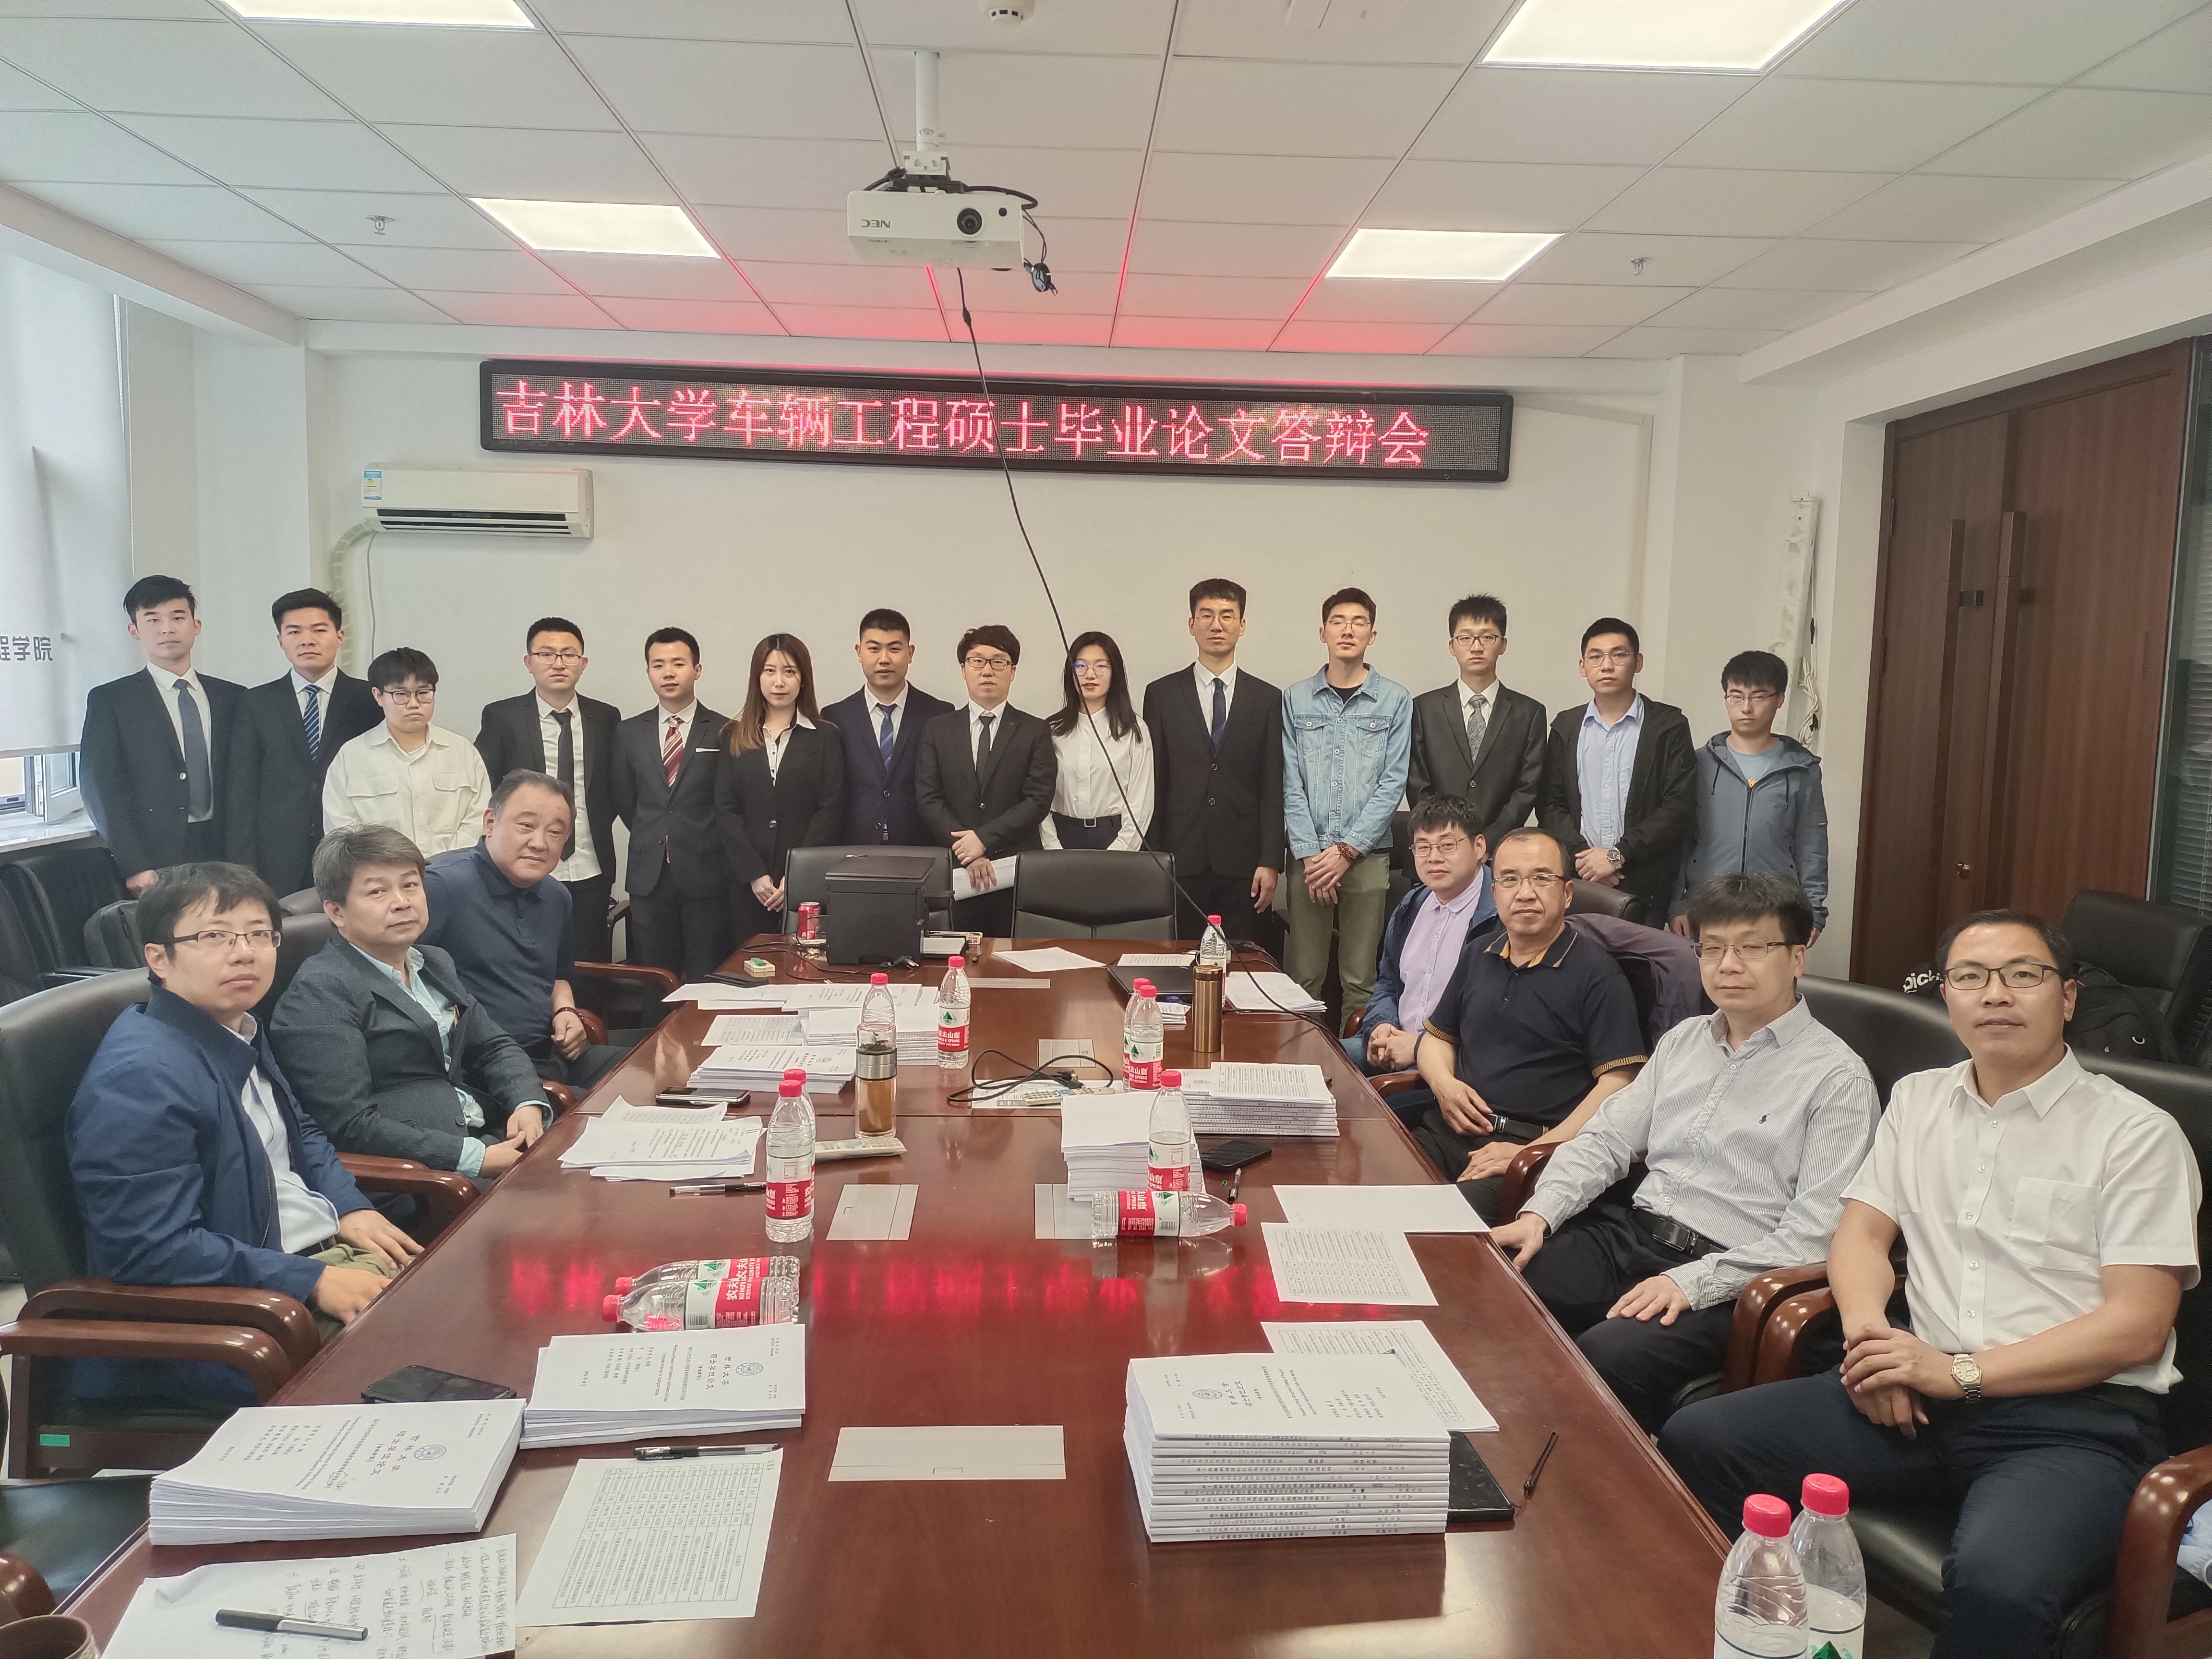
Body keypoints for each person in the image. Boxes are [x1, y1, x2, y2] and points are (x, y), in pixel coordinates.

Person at [1662, 909, 2202, 1659]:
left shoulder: (2136, 1135)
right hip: (1915, 1390)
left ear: (2068, 998)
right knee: (1701, 1439)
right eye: (1971, 977)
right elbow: (1860, 1237)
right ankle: (1779, 1641)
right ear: (1946, 996)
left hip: (2068, 1423)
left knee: (1998, 1583)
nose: (1995, 994)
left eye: (2023, 975)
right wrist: (1871, 1344)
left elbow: (2137, 1327)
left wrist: (1957, 1374)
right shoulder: (1920, 1100)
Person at [1490, 873, 1876, 1431]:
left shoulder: (1837, 1079)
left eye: (1751, 948)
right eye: (1712, 949)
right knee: (1501, 1289)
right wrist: (1540, 1214)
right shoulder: (1684, 1040)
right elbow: (1606, 1139)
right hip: (1631, 1236)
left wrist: (1693, 1283)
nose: (1728, 965)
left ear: (1797, 957)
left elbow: (1817, 1235)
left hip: (1728, 1277)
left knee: (1606, 1356)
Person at [67, 863, 422, 1402]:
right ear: (158, 958)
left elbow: (300, 1130)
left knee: (475, 1303)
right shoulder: (139, 1078)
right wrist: (311, 1281)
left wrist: (350, 1206)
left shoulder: (234, 1027)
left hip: (308, 1263)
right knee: (451, 1354)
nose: (245, 953)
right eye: (215, 936)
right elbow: (150, 1251)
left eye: (260, 934)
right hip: (235, 1321)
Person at [273, 825, 553, 1177]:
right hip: (422, 1176)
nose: (402, 902)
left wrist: (526, 1102)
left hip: (488, 1131)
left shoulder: (434, 962)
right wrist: (474, 1158)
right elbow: (348, 1125)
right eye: (378, 891)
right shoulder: (320, 991)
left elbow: (494, 1046)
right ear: (336, 912)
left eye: (410, 885)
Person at [1413, 828, 1647, 1222]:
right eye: (1510, 880)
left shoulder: (1598, 975)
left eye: (1541, 878)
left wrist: (1533, 1151)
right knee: (1371, 1181)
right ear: (1495, 893)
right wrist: (1444, 1086)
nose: (1524, 893)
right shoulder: (1479, 952)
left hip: (1532, 1151)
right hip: (1449, 1132)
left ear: (1567, 893)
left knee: (1436, 1222)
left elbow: (1619, 1085)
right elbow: (1437, 1038)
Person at [418, 771, 627, 1091]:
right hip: (487, 1070)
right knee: (606, 1110)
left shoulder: (557, 896)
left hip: (555, 1053)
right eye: (526, 826)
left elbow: (558, 976)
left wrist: (566, 1011)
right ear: (490, 823)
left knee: (657, 1072)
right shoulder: (441, 888)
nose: (539, 843)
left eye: (555, 832)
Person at [1282, 588, 1412, 1015]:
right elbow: (1290, 783)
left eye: (1359, 623)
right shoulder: (1295, 698)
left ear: (1372, 635)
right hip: (1309, 859)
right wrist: (1313, 855)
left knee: (1360, 980)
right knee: (1302, 978)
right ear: (1322, 632)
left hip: (1367, 857)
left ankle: (1354, 1057)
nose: (1347, 630)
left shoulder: (1395, 700)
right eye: (1338, 622)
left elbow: (1393, 783)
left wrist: (1346, 851)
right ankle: (1302, 1057)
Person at [1142, 578, 1283, 953]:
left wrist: (1271, 861)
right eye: (1206, 615)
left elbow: (1272, 785)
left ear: (1242, 625)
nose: (1216, 625)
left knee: (1242, 963)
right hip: (1179, 858)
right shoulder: (1161, 694)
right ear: (1192, 624)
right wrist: (1153, 856)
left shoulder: (1267, 698)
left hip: (1244, 862)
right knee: (1178, 963)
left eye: (1226, 616)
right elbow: (1153, 781)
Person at [80, 575, 246, 895]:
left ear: (196, 626)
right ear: (134, 630)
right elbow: (100, 787)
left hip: (226, 845)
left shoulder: (234, 697)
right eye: (153, 620)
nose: (167, 629)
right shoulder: (112, 700)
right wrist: (134, 864)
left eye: (177, 618)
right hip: (157, 855)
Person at [1344, 793, 1499, 1126]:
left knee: (1351, 1108)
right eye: (1423, 847)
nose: (1434, 858)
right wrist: (1381, 1026)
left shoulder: (1499, 918)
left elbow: (1494, 1022)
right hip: (1391, 1041)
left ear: (1479, 847)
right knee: (1312, 1064)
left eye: (1447, 845)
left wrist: (1418, 1047)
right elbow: (1388, 982)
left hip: (1449, 1065)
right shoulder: (1412, 905)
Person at [475, 618, 621, 963]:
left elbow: (616, 787)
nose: (558, 663)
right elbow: (486, 787)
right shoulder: (502, 716)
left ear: (583, 663)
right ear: (529, 662)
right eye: (547, 654)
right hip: (525, 862)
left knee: (589, 962)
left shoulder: (606, 717)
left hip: (590, 862)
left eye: (569, 655)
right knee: (527, 958)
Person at [1536, 618, 1696, 923]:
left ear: (1638, 662)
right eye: (1596, 656)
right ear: (1583, 666)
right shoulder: (1566, 727)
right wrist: (1585, 860)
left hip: (1646, 885)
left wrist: (1616, 856)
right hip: (1580, 880)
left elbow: (1678, 806)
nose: (1606, 666)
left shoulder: (1668, 726)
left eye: (1619, 655)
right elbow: (1550, 803)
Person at [224, 588, 380, 898]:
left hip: (352, 851)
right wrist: (241, 867)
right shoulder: (255, 703)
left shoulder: (370, 699)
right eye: (294, 632)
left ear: (340, 636)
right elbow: (241, 789)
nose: (307, 640)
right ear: (280, 640)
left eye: (319, 630)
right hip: (276, 857)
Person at [1670, 649, 1830, 941]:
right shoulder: (1698, 764)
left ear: (1779, 699)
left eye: (1758, 697)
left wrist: (1815, 910)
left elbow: (1812, 844)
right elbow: (1680, 838)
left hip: (1776, 907)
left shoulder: (1802, 769)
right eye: (1736, 696)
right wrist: (1676, 903)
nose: (1746, 707)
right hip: (1707, 903)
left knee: (1768, 971)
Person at [915, 624, 1056, 937]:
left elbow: (1038, 800)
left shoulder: (1035, 731)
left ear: (1013, 671)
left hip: (1015, 873)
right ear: (964, 669)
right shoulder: (937, 730)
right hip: (957, 871)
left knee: (1014, 959)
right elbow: (929, 798)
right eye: (977, 661)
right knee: (957, 956)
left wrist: (983, 841)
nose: (987, 671)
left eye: (998, 662)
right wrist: (967, 850)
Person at [611, 627, 732, 981]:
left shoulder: (725, 730)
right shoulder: (629, 732)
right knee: (654, 975)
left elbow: (728, 801)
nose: (668, 673)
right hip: (649, 873)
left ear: (697, 670)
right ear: (648, 672)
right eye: (658, 665)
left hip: (705, 870)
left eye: (678, 664)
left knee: (705, 973)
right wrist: (657, 833)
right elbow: (624, 797)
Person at [715, 634, 846, 947]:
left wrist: (798, 875)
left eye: (789, 672)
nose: (779, 682)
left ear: (803, 679)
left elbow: (830, 809)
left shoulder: (825, 737)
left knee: (804, 963)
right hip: (748, 884)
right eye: (770, 671)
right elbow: (726, 809)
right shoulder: (733, 735)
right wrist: (754, 874)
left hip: (806, 883)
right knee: (750, 963)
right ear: (757, 677)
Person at [1406, 594, 1548, 848]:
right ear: (1452, 646)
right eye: (1466, 638)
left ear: (1503, 644)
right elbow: (1418, 783)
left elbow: (1527, 789)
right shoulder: (1423, 708)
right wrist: (1448, 842)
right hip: (1437, 851)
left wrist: (1487, 843)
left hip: (1499, 851)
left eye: (1487, 637)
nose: (1476, 647)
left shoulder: (1529, 713)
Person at [322, 647, 491, 856]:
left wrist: (444, 864)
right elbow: (342, 829)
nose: (414, 704)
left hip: (454, 870)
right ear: (378, 696)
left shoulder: (462, 751)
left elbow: (480, 818)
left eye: (423, 693)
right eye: (401, 694)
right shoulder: (352, 757)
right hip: (380, 871)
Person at [823, 608, 957, 848]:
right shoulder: (835, 717)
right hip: (854, 848)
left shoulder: (939, 714)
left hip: (921, 848)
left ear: (910, 653)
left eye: (894, 649)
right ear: (859, 652)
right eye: (874, 649)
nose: (884, 659)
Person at [1040, 631, 1154, 851]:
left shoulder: (1134, 729)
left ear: (1115, 672)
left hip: (1115, 837)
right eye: (1080, 666)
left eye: (1101, 666)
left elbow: (1141, 801)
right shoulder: (1051, 730)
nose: (1090, 675)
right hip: (1061, 838)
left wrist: (1121, 850)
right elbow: (1040, 798)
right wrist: (1052, 846)